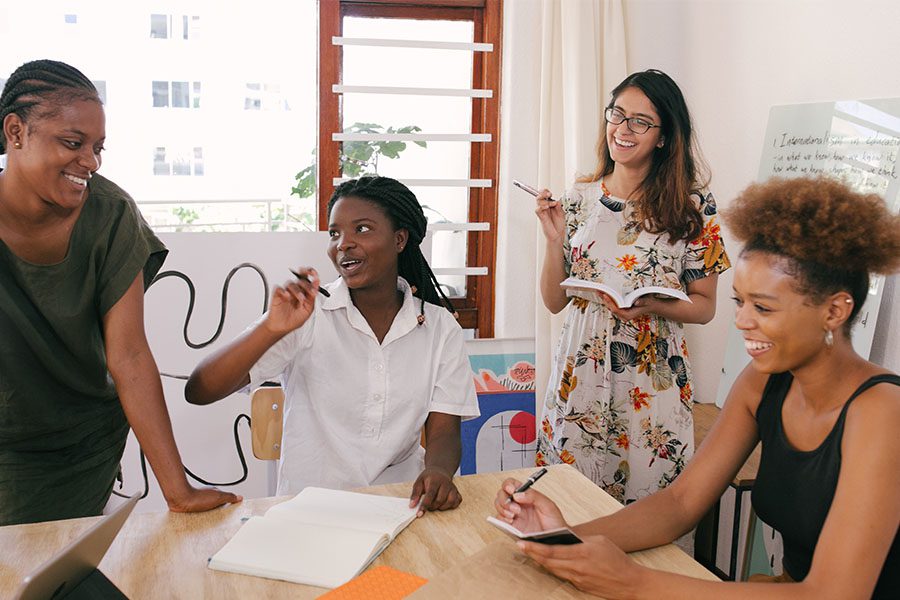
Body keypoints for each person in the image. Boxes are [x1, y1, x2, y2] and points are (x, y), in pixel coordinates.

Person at [494, 176, 900, 599]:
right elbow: (680, 503)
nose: (742, 321)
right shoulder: (762, 384)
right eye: (740, 302)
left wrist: (634, 583)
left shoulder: (882, 411)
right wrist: (565, 537)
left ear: (834, 310)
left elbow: (834, 594)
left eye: (763, 307)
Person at [0, 59, 240, 526]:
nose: (90, 162)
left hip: (83, 443)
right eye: (73, 143)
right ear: (15, 132)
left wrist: (179, 492)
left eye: (97, 147)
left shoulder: (111, 216)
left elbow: (128, 356)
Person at [186, 176, 479, 514]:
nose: (344, 244)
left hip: (400, 507)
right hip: (309, 512)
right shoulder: (308, 316)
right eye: (335, 233)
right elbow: (201, 389)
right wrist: (270, 328)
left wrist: (438, 471)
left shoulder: (439, 328)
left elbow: (444, 431)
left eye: (363, 229)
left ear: (399, 239)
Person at [533, 69, 730, 503]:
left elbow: (705, 307)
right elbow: (553, 302)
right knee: (568, 509)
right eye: (617, 114)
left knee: (648, 510)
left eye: (640, 121)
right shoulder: (577, 198)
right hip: (578, 376)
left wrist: (651, 306)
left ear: (663, 137)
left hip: (651, 385)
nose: (623, 129)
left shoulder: (694, 206)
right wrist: (553, 241)